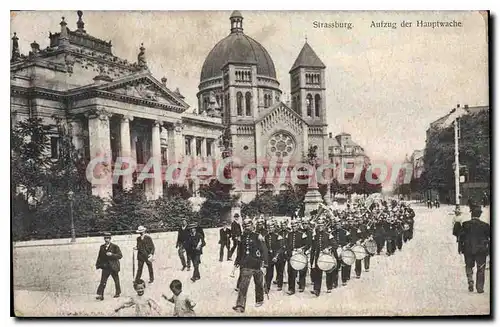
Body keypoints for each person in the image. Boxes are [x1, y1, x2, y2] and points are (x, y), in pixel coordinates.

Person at [232, 218, 269, 313]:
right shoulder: (241, 237)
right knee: (243, 285)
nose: (246, 227)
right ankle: (240, 305)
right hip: (245, 265)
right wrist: (237, 261)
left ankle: (259, 300)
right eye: (244, 226)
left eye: (248, 225)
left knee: (259, 284)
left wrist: (265, 264)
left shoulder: (258, 236)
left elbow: (264, 250)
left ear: (252, 226)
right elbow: (239, 251)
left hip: (257, 264)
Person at [458, 204, 490, 293]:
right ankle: (479, 288)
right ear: (480, 215)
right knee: (481, 268)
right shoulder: (485, 226)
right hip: (481, 250)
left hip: (468, 249)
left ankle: (470, 280)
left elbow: (461, 238)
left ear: (472, 215)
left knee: (468, 266)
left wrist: (460, 248)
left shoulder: (465, 224)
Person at [310, 217, 338, 296]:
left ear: (324, 226)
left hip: (327, 256)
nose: (320, 227)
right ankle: (316, 289)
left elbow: (335, 245)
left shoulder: (328, 235)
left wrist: (328, 249)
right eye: (319, 225)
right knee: (317, 273)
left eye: (322, 225)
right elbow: (313, 247)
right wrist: (312, 258)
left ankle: (329, 287)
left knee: (328, 272)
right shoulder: (315, 235)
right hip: (318, 256)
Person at [285, 219, 310, 295]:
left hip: (300, 254)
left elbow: (307, 244)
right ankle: (291, 289)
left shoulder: (302, 234)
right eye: (292, 226)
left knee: (302, 270)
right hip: (291, 254)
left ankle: (302, 285)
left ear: (298, 225)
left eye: (295, 226)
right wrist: (289, 251)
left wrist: (302, 249)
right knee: (290, 271)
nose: (293, 227)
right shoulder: (288, 234)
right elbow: (286, 244)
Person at [95, 232, 122, 300]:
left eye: (108, 238)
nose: (107, 240)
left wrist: (112, 254)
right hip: (106, 267)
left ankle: (118, 292)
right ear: (104, 239)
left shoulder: (115, 246)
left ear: (110, 239)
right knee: (103, 281)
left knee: (116, 280)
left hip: (113, 266)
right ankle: (101, 294)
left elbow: (120, 255)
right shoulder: (102, 247)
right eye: (105, 238)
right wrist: (98, 265)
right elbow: (100, 257)